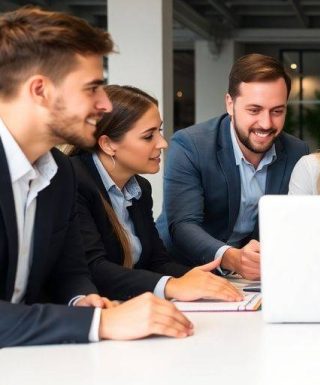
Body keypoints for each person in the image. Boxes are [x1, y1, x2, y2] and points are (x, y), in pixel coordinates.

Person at [0, 7, 192, 348]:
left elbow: (70, 272)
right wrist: (99, 321)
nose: (104, 104)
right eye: (92, 88)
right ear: (39, 90)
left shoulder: (58, 172)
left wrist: (83, 299)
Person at [69, 85, 244, 302]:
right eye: (148, 136)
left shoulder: (140, 188)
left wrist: (201, 277)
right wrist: (173, 285)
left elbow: (157, 262)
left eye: (159, 131)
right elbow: (94, 270)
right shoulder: (73, 182)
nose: (162, 143)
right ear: (108, 144)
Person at [155, 54, 309, 280]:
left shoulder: (297, 152)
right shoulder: (190, 145)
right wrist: (231, 258)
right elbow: (182, 225)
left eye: (277, 111)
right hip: (184, 269)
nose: (266, 124)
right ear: (230, 103)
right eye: (254, 110)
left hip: (253, 277)